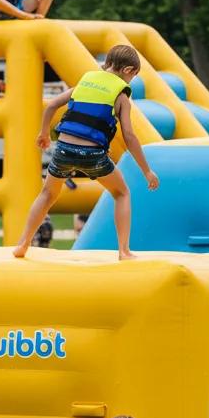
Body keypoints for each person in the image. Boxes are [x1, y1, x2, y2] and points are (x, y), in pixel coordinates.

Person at [12, 44, 160, 259]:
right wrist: (147, 170)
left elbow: (52, 105)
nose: (131, 81)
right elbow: (129, 135)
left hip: (63, 150)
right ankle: (124, 251)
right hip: (93, 156)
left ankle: (22, 245)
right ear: (128, 70)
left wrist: (44, 134)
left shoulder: (84, 82)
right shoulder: (121, 96)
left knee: (47, 194)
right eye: (134, 76)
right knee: (122, 193)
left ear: (107, 64)